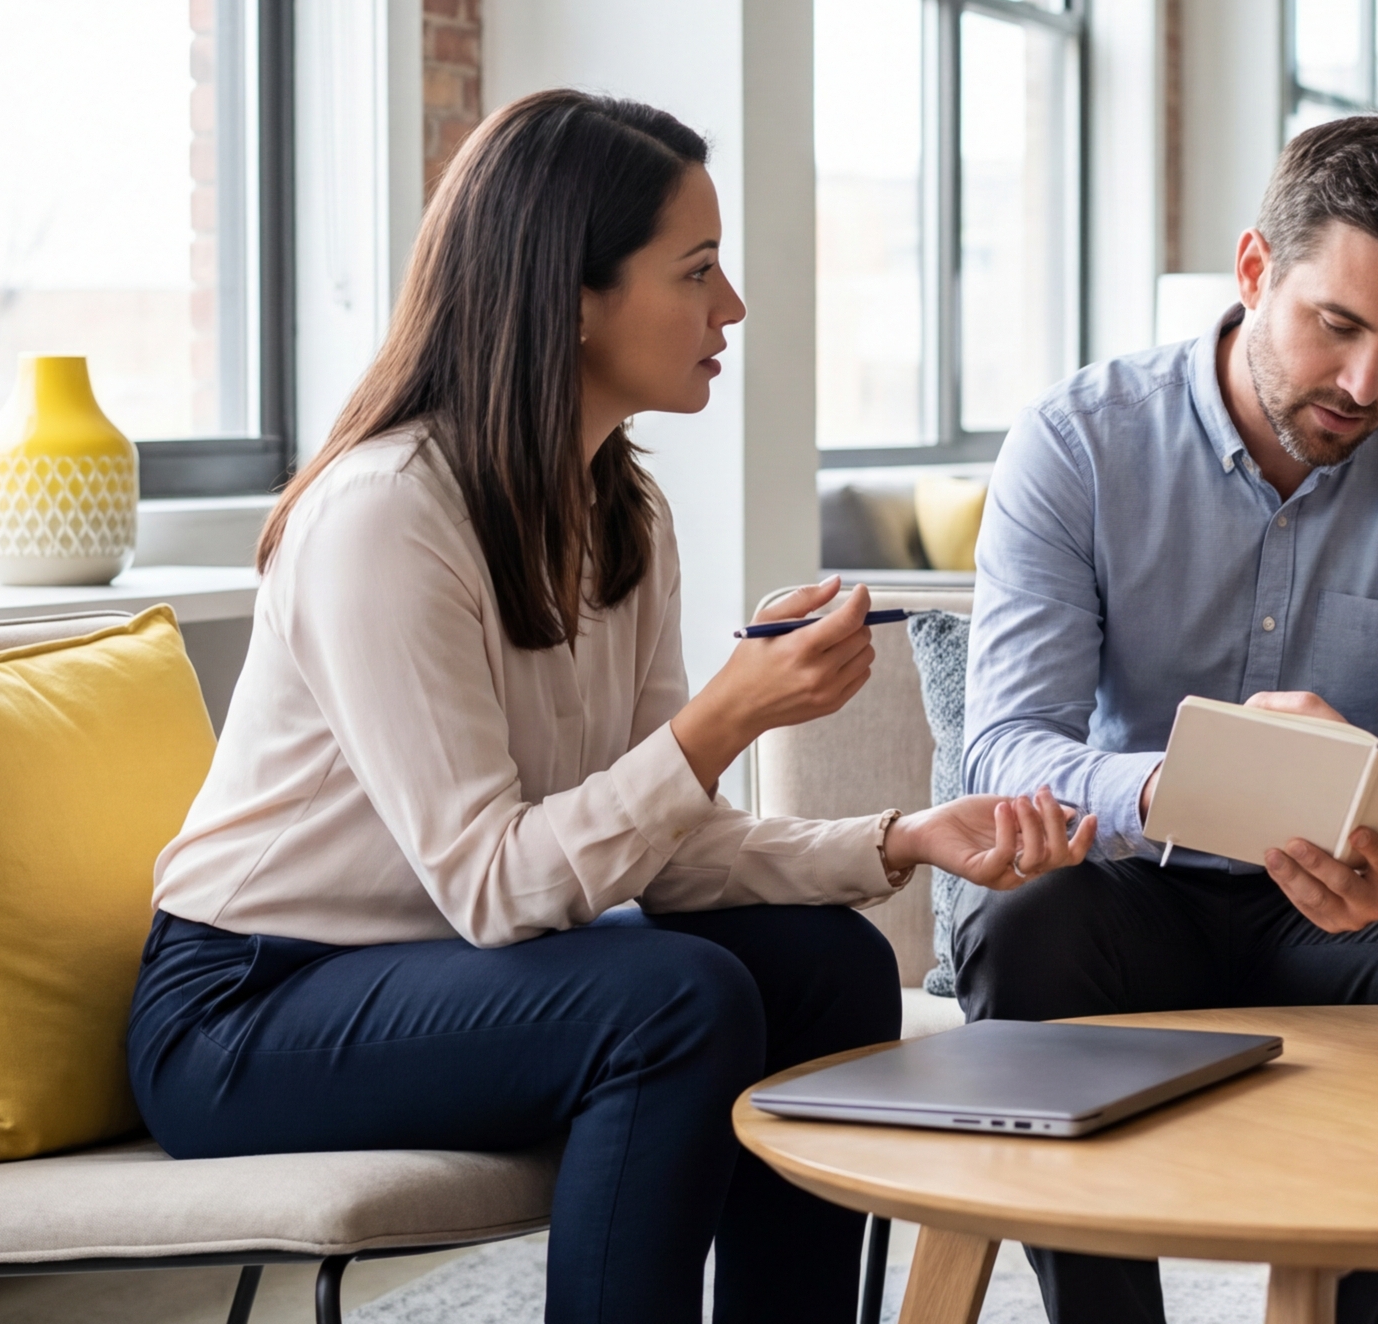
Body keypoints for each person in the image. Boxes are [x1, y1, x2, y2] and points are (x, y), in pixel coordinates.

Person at [130, 89, 1094, 1324]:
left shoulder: (620, 515)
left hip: (448, 972)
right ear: (573, 297)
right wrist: (726, 722)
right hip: (249, 1010)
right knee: (673, 1000)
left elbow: (661, 853)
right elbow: (496, 886)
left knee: (828, 969)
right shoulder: (384, 518)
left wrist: (897, 838)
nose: (730, 308)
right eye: (696, 271)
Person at [956, 113, 1378, 1324]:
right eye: (1337, 327)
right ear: (1254, 271)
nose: (1366, 385)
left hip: (1343, 912)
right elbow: (1002, 746)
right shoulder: (1077, 443)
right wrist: (1185, 783)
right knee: (1021, 934)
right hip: (1131, 881)